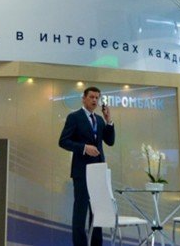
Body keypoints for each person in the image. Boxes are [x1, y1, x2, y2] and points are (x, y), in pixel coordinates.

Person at [58, 86, 115, 246]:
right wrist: (84, 148)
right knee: (80, 212)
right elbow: (63, 141)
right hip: (82, 171)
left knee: (97, 212)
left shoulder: (99, 120)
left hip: (98, 172)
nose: (95, 100)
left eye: (97, 97)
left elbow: (110, 141)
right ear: (84, 98)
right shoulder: (74, 117)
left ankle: (96, 243)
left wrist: (108, 120)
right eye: (91, 97)